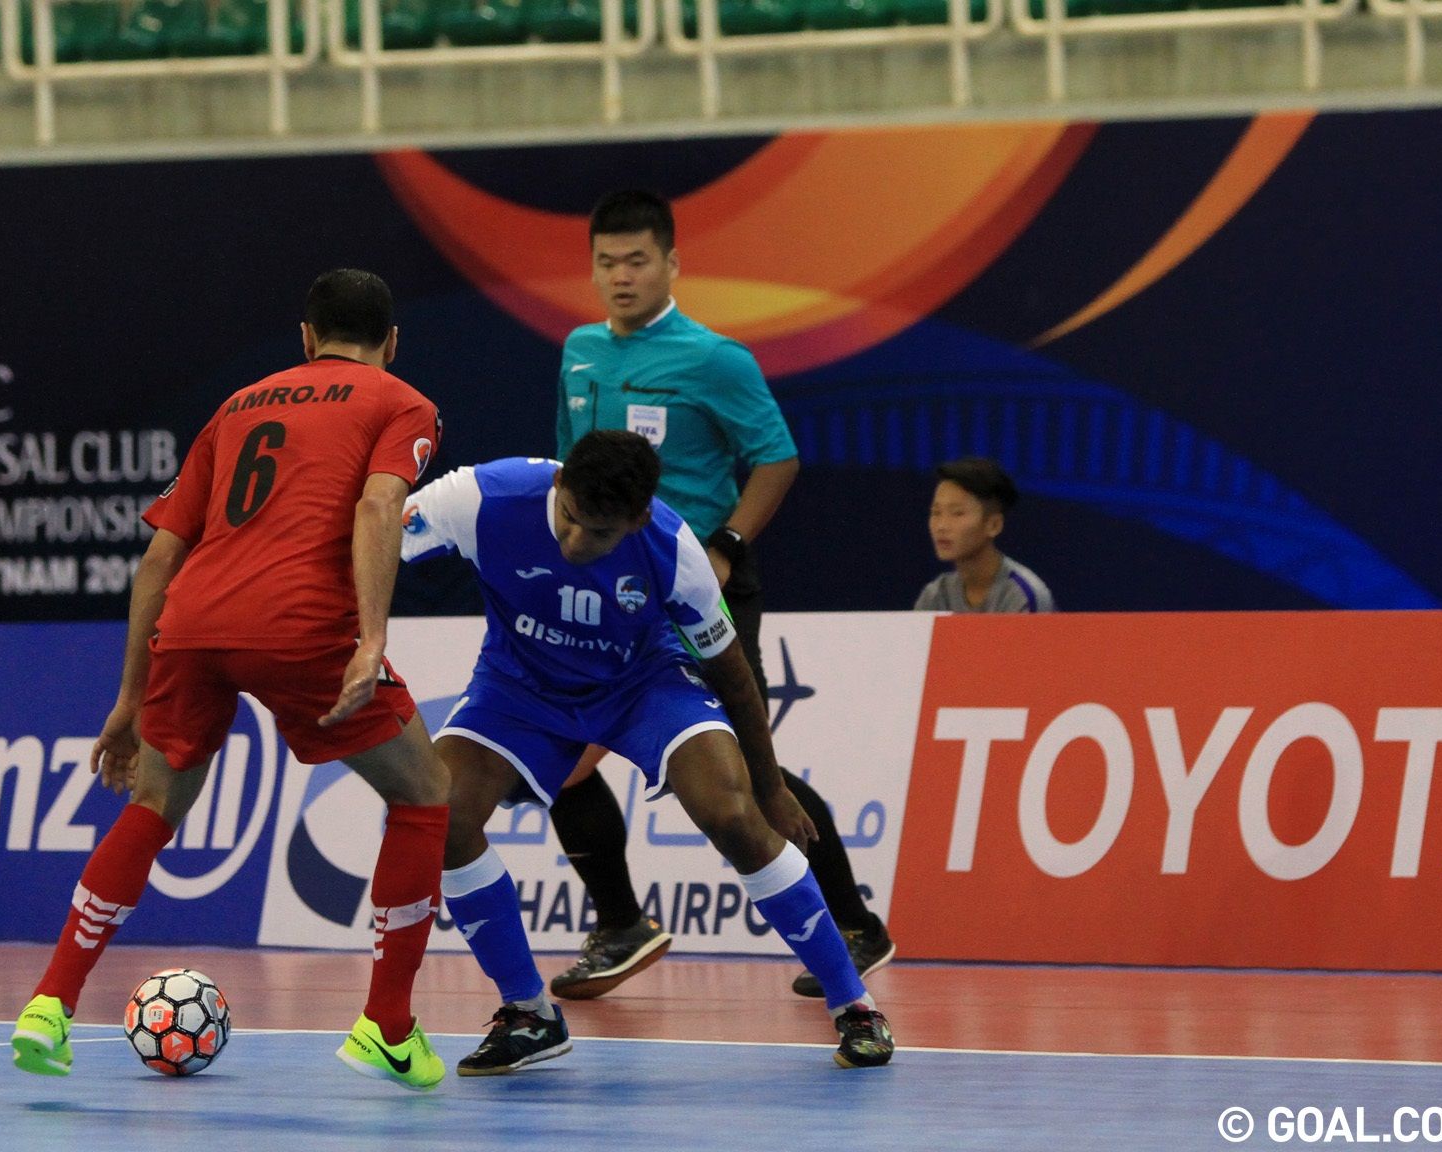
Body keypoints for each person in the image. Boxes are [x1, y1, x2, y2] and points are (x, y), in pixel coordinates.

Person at [10, 269, 453, 1092]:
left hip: (193, 624)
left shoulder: (239, 405)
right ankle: (389, 1024)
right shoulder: (402, 402)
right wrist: (373, 637)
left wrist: (127, 699)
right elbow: (377, 506)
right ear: (392, 344)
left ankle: (50, 1003)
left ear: (305, 338)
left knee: (153, 807)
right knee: (425, 793)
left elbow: (159, 559)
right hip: (299, 626)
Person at [403, 430, 895, 1074]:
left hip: (644, 686)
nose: (577, 544)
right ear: (559, 486)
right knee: (442, 815)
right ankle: (529, 1013)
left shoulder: (670, 547)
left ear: (635, 520)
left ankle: (854, 1007)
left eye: (599, 534)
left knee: (731, 815)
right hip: (520, 686)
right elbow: (376, 534)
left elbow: (734, 676)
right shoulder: (480, 496)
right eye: (570, 519)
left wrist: (771, 789)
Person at [547, 188, 895, 1002]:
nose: (621, 276)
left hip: (698, 582)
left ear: (672, 263)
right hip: (606, 584)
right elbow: (571, 469)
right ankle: (622, 923)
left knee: (740, 764)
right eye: (607, 263)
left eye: (638, 260)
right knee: (565, 756)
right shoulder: (578, 351)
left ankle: (852, 923)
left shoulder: (716, 360)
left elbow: (776, 457)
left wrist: (729, 544)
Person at [916, 457, 1055, 613]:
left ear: (993, 525)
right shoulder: (935, 596)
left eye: (957, 513)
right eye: (936, 513)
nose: (941, 526)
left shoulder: (1022, 594)